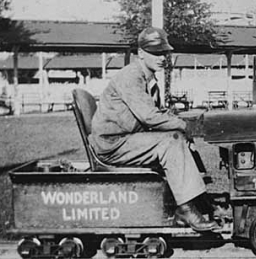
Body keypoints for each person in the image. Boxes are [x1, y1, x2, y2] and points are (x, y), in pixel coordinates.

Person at [89, 27, 219, 232]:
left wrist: (180, 126)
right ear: (141, 53)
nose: (162, 58)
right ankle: (185, 208)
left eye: (164, 52)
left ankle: (198, 201)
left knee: (177, 137)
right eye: (156, 53)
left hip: (126, 138)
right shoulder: (131, 76)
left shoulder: (148, 79)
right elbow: (149, 117)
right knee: (171, 142)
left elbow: (157, 113)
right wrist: (184, 125)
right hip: (113, 144)